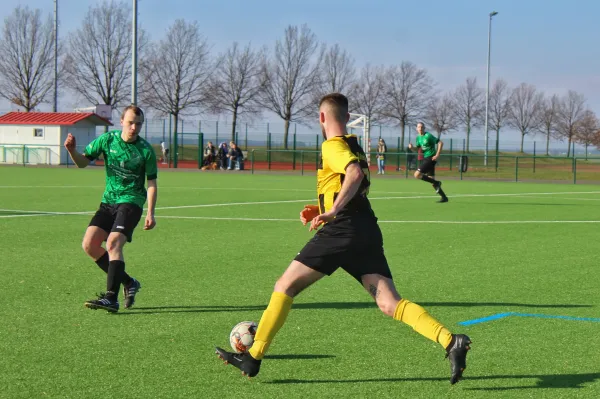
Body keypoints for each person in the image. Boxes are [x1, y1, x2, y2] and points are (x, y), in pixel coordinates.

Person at [215, 93, 471, 384]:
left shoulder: (332, 145)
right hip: (365, 230)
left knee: (285, 286)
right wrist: (321, 207)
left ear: (321, 118)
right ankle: (451, 341)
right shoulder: (354, 145)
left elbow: (353, 175)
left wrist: (333, 210)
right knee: (389, 303)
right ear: (348, 118)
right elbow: (353, 182)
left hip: (342, 229)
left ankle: (252, 357)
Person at [63, 104, 158, 313]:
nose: (134, 127)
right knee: (89, 245)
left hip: (132, 201)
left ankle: (111, 298)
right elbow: (81, 163)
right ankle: (129, 282)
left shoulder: (145, 150)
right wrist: (71, 151)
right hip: (108, 202)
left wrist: (150, 212)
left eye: (139, 124)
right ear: (122, 121)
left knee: (114, 243)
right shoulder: (107, 140)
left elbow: (151, 183)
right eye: (131, 122)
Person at [408, 122, 449, 203]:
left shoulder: (428, 136)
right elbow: (418, 149)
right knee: (431, 180)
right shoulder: (418, 138)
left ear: (424, 128)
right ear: (416, 128)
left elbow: (440, 143)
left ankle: (437, 182)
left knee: (416, 175)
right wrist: (412, 148)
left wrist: (437, 155)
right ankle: (444, 197)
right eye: (419, 127)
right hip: (426, 158)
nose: (420, 128)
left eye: (422, 127)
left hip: (431, 158)